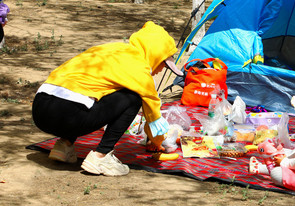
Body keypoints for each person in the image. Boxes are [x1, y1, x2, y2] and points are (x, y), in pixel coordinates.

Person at [32, 21, 184, 176]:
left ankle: (64, 145)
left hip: (40, 107)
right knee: (133, 98)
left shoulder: (110, 49)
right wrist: (158, 142)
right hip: (68, 115)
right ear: (156, 56)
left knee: (91, 93)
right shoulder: (140, 69)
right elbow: (154, 118)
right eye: (164, 65)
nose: (161, 70)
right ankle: (101, 156)